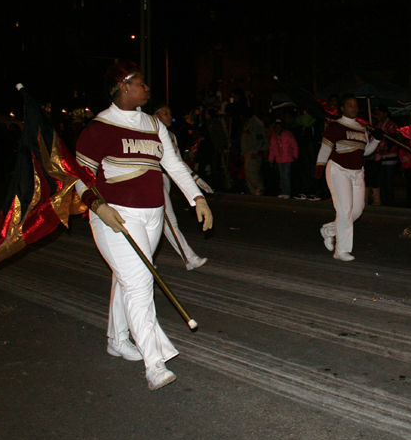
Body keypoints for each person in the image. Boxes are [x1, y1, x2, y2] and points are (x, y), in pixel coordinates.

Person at [75, 62, 213, 391]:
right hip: (117, 217)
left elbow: (173, 165)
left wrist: (197, 198)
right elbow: (77, 178)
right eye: (140, 82)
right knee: (139, 283)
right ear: (123, 87)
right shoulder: (98, 128)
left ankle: (117, 339)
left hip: (153, 215)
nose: (147, 88)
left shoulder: (152, 124)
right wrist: (98, 206)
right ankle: (155, 364)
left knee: (128, 277)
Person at [316, 94, 381, 261]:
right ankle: (341, 250)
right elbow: (325, 149)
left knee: (357, 210)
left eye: (356, 105)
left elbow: (364, 152)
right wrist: (319, 169)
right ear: (342, 108)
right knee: (344, 210)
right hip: (338, 170)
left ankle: (330, 230)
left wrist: (377, 140)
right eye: (350, 105)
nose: (354, 108)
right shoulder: (335, 126)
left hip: (357, 172)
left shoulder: (362, 127)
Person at [152, 102, 213, 270]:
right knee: (169, 220)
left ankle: (143, 261)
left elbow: (177, 162)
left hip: (166, 180)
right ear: (155, 116)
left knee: (158, 222)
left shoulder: (171, 136)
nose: (168, 116)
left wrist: (195, 178)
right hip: (153, 179)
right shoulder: (149, 133)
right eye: (164, 113)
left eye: (169, 113)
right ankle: (189, 258)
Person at [374, 105, 399, 206]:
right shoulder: (377, 125)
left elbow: (393, 138)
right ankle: (382, 200)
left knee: (388, 180)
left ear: (385, 114)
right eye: (376, 114)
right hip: (380, 156)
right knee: (381, 180)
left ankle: (389, 202)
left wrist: (387, 147)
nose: (377, 116)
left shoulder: (391, 124)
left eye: (379, 114)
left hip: (390, 155)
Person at [268, 118, 299, 198]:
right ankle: (283, 192)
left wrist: (295, 156)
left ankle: (287, 192)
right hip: (279, 159)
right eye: (276, 127)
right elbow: (272, 149)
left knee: (286, 175)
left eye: (279, 127)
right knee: (282, 176)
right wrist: (271, 160)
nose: (278, 129)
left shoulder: (287, 134)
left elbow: (294, 145)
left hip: (287, 158)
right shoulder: (274, 136)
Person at [241, 106, 267, 195]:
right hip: (248, 151)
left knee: (251, 170)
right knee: (248, 171)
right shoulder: (248, 123)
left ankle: (259, 187)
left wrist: (256, 151)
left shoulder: (256, 123)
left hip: (254, 151)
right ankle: (253, 191)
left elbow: (259, 138)